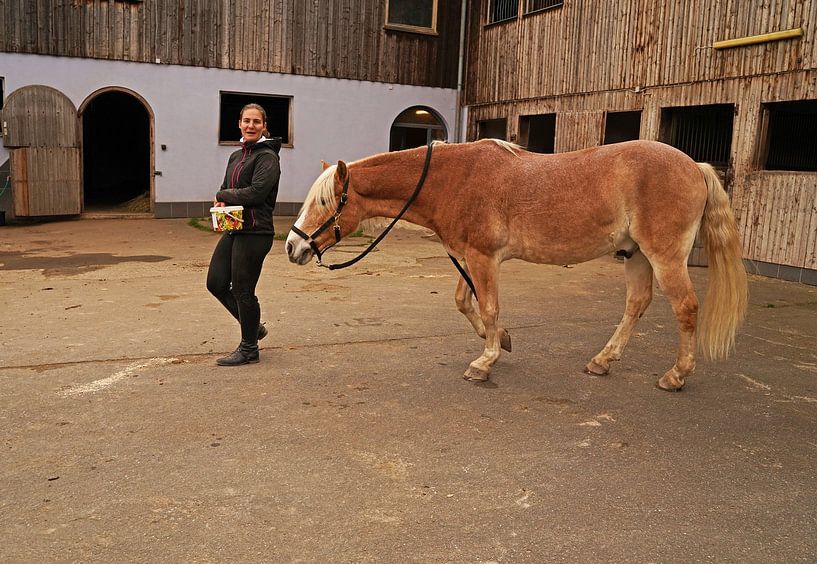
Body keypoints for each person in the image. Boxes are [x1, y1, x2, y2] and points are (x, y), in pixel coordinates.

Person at [207, 103, 281, 366]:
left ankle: (249, 348)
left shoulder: (267, 157)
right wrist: (222, 200)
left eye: (256, 122)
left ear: (264, 126)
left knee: (242, 289)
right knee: (215, 283)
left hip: (256, 232)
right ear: (239, 123)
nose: (251, 126)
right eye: (246, 121)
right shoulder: (236, 157)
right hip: (235, 228)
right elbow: (227, 186)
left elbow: (256, 193)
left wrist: (221, 195)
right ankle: (253, 328)